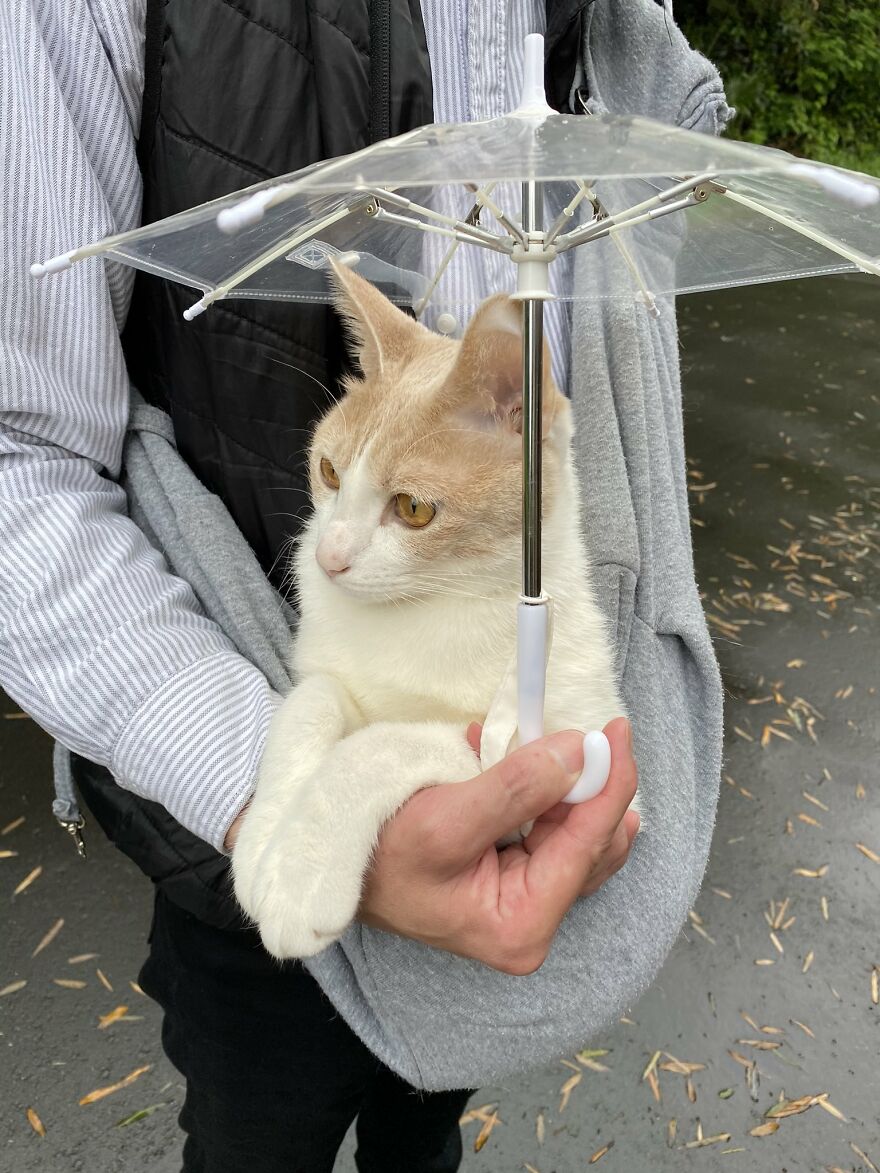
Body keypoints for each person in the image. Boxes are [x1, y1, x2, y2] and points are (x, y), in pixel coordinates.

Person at [1, 3, 643, 1171]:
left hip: (497, 880)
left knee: (425, 1126)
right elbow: (15, 452)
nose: (333, 545)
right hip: (233, 876)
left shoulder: (608, 30)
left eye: (395, 507)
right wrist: (261, 789)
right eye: (332, 474)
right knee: (255, 1134)